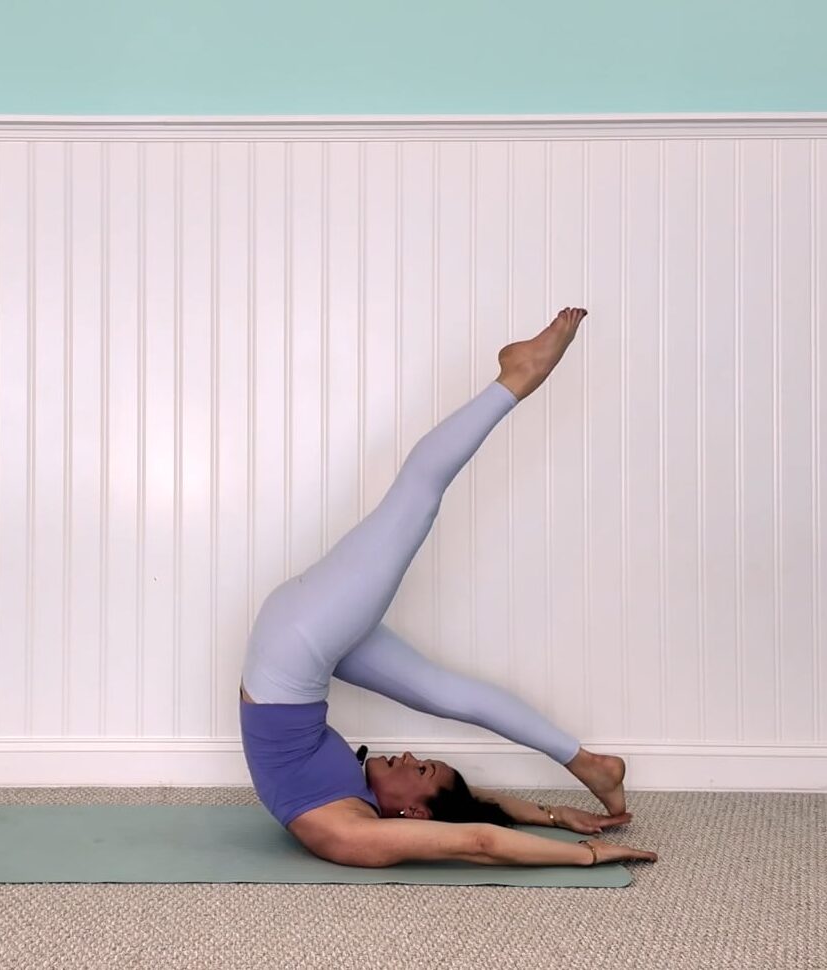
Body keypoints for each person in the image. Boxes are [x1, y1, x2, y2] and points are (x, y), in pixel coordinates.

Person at [238, 307, 660, 869]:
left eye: (418, 770)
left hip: (295, 647)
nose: (410, 755)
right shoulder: (369, 812)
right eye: (423, 767)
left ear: (411, 815)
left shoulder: (351, 835)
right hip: (295, 651)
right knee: (448, 693)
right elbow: (471, 814)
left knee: (416, 494)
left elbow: (476, 841)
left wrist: (586, 856)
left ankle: (516, 377)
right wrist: (555, 819)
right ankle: (591, 765)